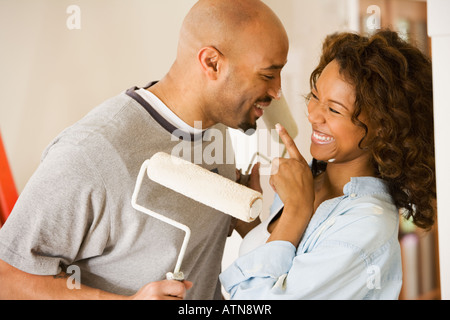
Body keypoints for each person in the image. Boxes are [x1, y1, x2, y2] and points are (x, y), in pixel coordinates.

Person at [0, 0, 288, 300]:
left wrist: (242, 216)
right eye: (268, 75)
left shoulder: (215, 124)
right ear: (212, 63)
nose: (278, 92)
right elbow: (6, 278)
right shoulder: (90, 154)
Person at [220, 30, 436, 299]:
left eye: (334, 110)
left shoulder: (366, 227)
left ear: (383, 126)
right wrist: (250, 227)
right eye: (315, 95)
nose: (312, 115)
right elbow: (285, 270)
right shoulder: (311, 175)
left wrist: (297, 210)